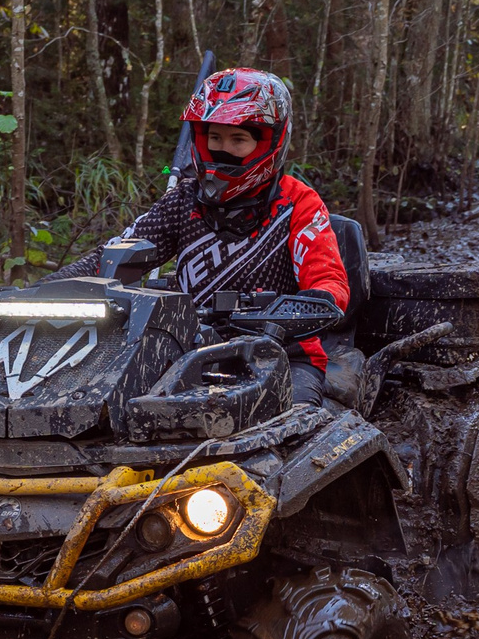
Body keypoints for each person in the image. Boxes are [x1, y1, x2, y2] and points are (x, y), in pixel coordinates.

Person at [65, 66, 350, 405]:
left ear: (268, 142)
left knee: (295, 428)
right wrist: (43, 289)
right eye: (215, 138)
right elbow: (112, 255)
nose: (222, 149)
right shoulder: (185, 199)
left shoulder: (297, 202)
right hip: (183, 351)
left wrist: (312, 304)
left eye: (238, 140)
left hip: (280, 354)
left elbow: (329, 278)